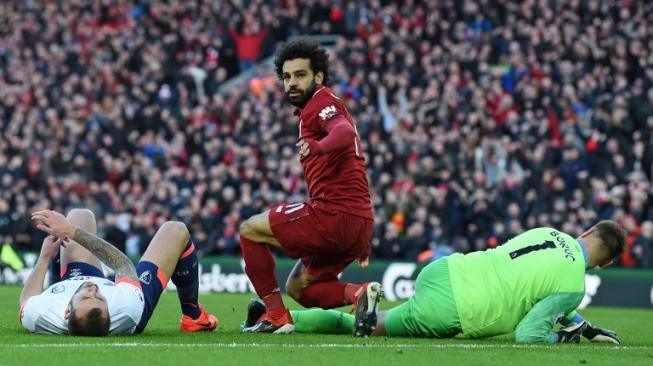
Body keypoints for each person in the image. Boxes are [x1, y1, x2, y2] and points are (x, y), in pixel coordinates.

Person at [244, 221, 625, 343]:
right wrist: (562, 336)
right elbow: (529, 334)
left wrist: (579, 323)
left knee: (364, 325)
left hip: (446, 270)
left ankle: (275, 316)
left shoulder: (548, 230)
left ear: (588, 230)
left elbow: (539, 278)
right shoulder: (574, 282)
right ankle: (356, 313)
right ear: (605, 264)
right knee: (370, 330)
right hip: (460, 308)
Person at [239, 40, 375, 333]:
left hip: (333, 214)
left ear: (319, 77)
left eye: (300, 75)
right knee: (300, 287)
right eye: (287, 77)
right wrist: (360, 237)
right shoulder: (317, 107)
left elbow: (343, 130)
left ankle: (275, 315)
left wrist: (319, 146)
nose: (291, 83)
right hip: (357, 220)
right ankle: (359, 294)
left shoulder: (321, 103)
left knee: (250, 230)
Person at [19, 208, 218, 336]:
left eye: (87, 298)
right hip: (133, 297)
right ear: (110, 310)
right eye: (101, 298)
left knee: (80, 215)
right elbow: (123, 265)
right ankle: (193, 317)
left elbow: (26, 300)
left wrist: (44, 257)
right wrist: (71, 232)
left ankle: (58, 276)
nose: (94, 290)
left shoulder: (41, 314)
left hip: (72, 282)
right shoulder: (125, 306)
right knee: (176, 230)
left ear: (67, 311)